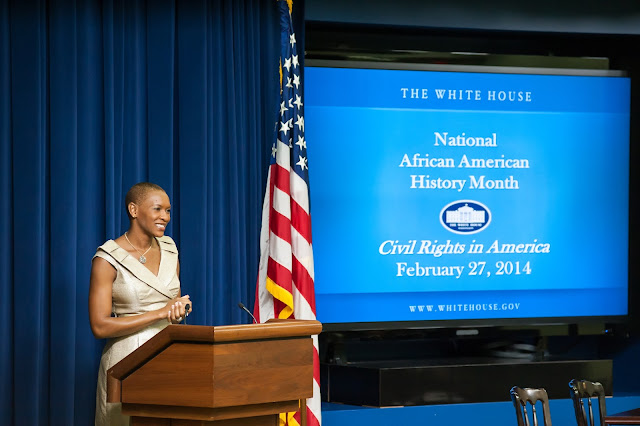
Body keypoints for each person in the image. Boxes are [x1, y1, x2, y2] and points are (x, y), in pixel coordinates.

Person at [89, 182, 192, 425]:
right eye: (157, 209)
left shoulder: (170, 248)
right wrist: (160, 313)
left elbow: (172, 304)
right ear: (133, 210)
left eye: (168, 211)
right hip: (127, 361)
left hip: (171, 356)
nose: (164, 217)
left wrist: (177, 311)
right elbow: (100, 327)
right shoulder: (107, 259)